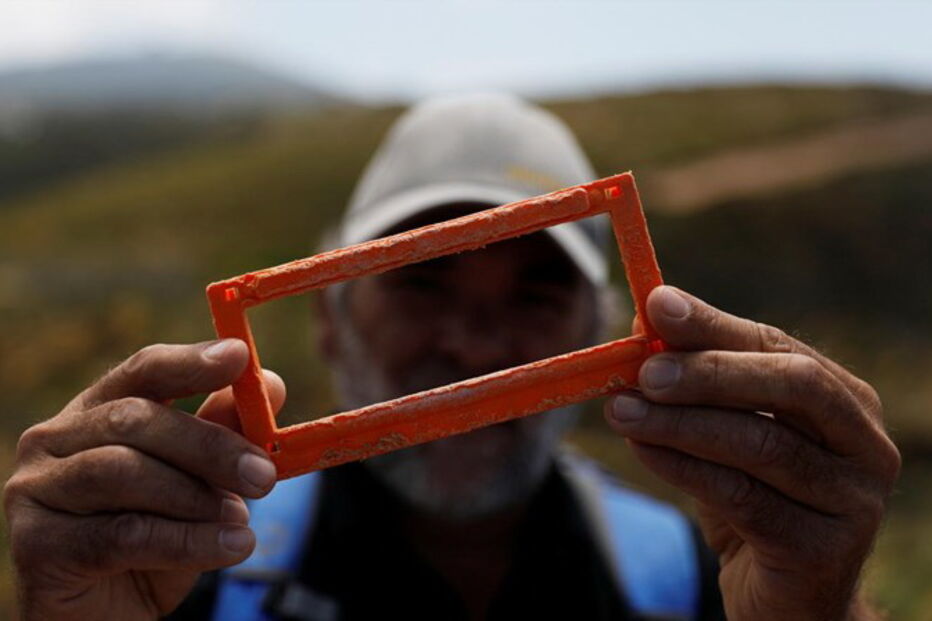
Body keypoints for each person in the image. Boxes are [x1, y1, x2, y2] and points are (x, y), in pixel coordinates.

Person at [3, 94, 899, 621]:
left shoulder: (696, 573)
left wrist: (824, 611)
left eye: (534, 295)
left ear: (604, 336)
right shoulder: (180, 570)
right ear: (329, 322)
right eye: (421, 284)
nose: (471, 346)